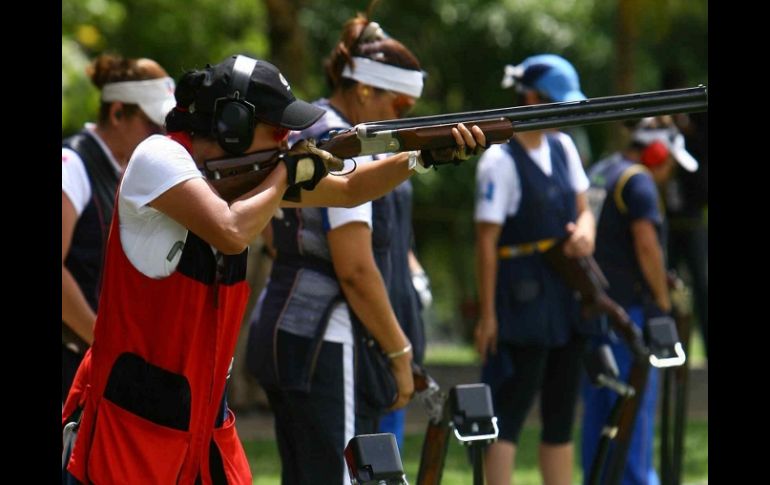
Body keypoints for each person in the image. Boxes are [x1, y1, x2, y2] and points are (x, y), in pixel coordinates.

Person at [61, 53, 485, 485]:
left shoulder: (251, 181)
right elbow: (230, 231)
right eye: (277, 128)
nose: (287, 139)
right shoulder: (159, 156)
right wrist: (284, 173)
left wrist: (422, 156)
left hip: (203, 424)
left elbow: (352, 190)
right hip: (135, 425)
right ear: (232, 124)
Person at [244, 16, 464, 484]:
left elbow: (274, 234)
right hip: (330, 339)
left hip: (287, 327)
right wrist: (401, 355)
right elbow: (355, 269)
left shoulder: (313, 128)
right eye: (400, 102)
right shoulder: (346, 143)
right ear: (364, 90)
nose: (403, 116)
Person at [473, 54, 595, 485]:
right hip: (521, 293)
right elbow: (486, 241)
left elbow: (585, 210)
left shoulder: (563, 147)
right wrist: (488, 315)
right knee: (510, 408)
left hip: (565, 290)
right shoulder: (498, 160)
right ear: (529, 98)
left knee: (561, 412)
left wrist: (584, 231)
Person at [581, 116, 698, 485]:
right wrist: (663, 303)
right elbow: (647, 244)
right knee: (635, 416)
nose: (670, 174)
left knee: (600, 416)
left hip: (594, 308)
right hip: (627, 314)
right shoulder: (639, 181)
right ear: (658, 152)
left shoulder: (601, 170)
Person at [62, 53, 175, 402]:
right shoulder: (72, 165)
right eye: (154, 125)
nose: (162, 136)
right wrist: (104, 343)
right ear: (117, 113)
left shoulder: (121, 169)